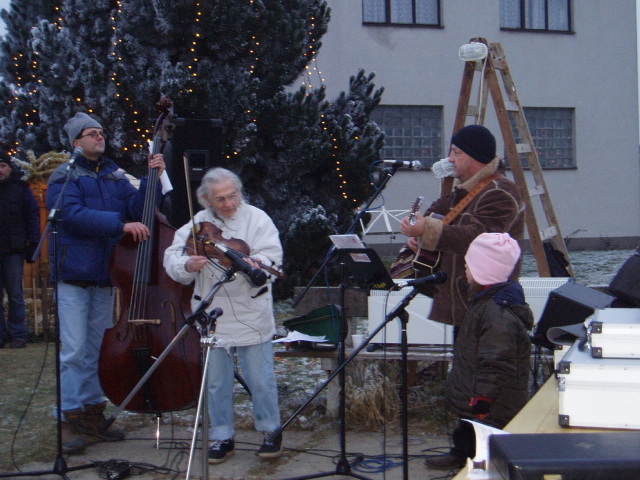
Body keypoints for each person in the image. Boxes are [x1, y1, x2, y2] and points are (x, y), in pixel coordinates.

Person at [46, 112, 165, 454]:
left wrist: (150, 179)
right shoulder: (64, 176)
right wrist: (120, 225)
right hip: (73, 276)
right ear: (75, 142)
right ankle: (68, 419)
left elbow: (138, 208)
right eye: (91, 133)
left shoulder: (114, 175)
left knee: (96, 349)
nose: (100, 137)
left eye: (101, 132)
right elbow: (71, 215)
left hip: (104, 276)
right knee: (73, 351)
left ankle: (92, 413)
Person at [163, 167, 283, 465]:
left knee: (260, 378)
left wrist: (260, 262)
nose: (228, 204)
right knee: (216, 381)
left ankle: (270, 431)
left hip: (251, 310)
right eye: (220, 200)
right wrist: (188, 265)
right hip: (212, 311)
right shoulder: (198, 224)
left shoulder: (257, 219)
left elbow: (273, 258)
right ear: (207, 200)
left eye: (233, 196)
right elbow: (172, 258)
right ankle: (222, 436)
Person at [400, 124, 526, 331]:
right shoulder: (465, 190)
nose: (450, 158)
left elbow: (479, 237)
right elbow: (434, 212)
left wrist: (426, 230)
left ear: (475, 157)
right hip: (466, 301)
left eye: (456, 152)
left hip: (489, 303)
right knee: (464, 362)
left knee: (480, 362)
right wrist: (417, 232)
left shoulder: (501, 192)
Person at [425, 232, 533, 470]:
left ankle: (481, 465)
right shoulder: (484, 302)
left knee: (487, 451)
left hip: (490, 402)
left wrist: (483, 399)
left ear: (484, 270)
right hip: (475, 393)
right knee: (469, 431)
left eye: (469, 263)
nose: (465, 266)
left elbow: (497, 362)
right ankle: (463, 454)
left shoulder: (498, 314)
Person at [0, 151, 40, 349]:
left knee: (16, 294)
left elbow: (33, 216)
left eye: (2, 165)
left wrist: (33, 243)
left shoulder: (21, 188)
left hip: (13, 249)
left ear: (9, 167)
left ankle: (18, 335)